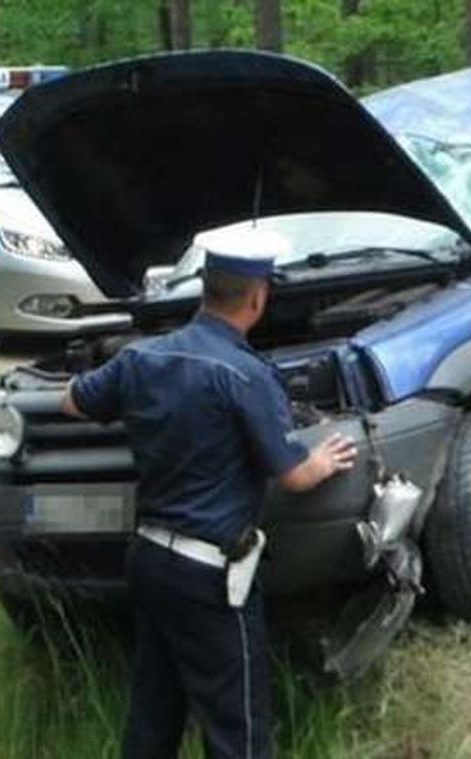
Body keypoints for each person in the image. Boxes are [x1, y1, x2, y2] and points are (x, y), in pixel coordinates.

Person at [61, 226, 358, 759]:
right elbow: (292, 477)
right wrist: (321, 460)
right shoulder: (247, 375)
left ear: (205, 287)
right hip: (210, 578)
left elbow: (73, 403)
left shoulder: (140, 359)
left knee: (154, 715)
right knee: (237, 729)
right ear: (259, 297)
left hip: (149, 559)